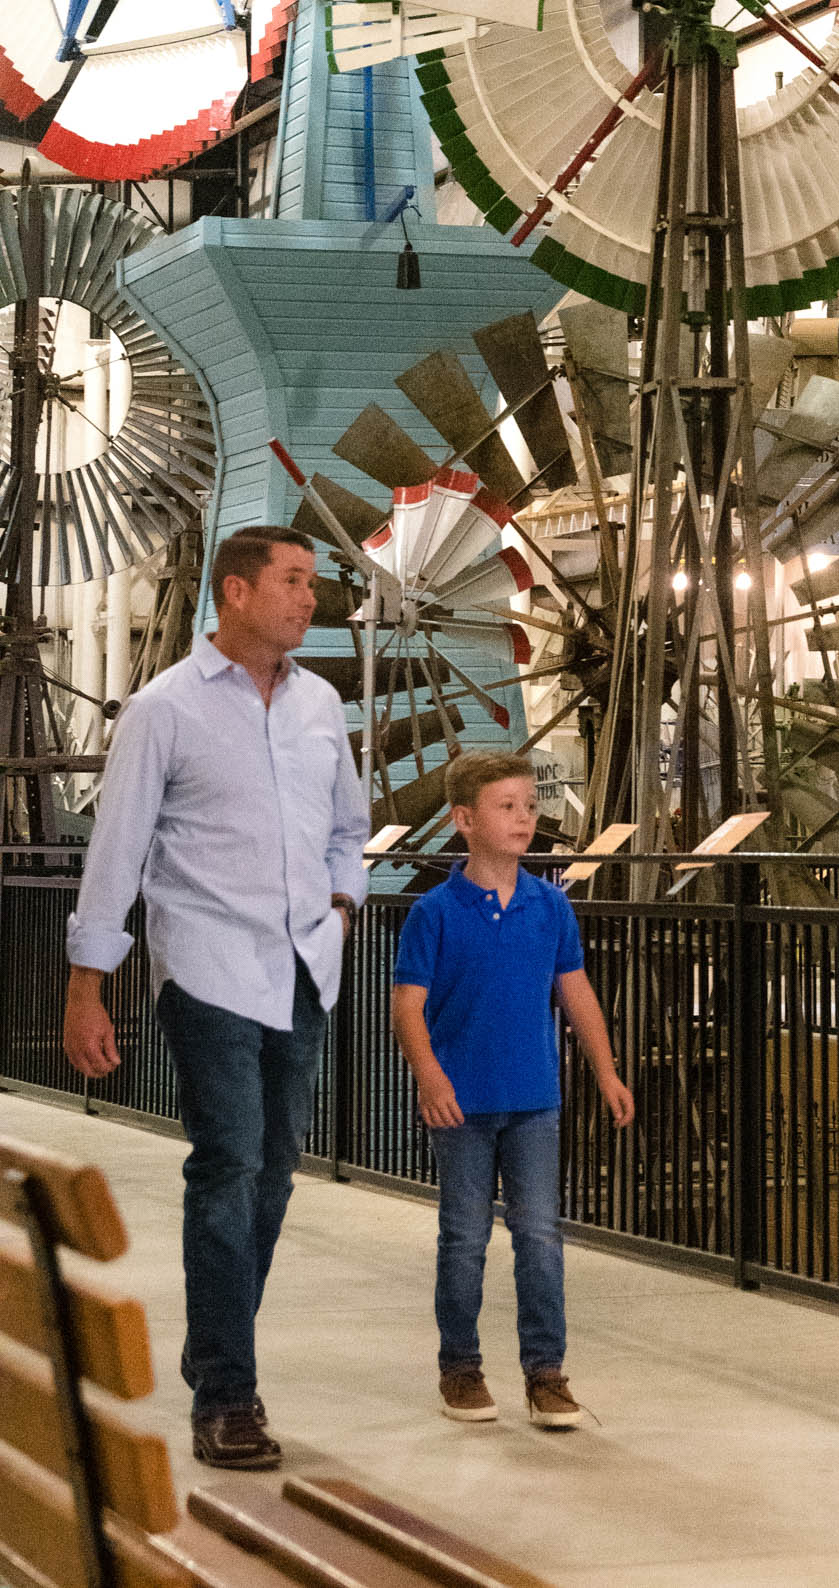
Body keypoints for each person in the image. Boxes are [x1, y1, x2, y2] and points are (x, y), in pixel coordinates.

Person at [62, 525, 370, 1473]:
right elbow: (117, 848)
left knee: (275, 1169)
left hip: (304, 968)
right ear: (234, 592)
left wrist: (343, 899)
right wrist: (87, 985)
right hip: (206, 969)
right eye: (290, 580)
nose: (308, 597)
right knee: (229, 1163)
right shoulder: (164, 709)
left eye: (310, 581)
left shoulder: (320, 704)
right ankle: (228, 1393)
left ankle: (212, 1343)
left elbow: (349, 826)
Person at [391, 750, 633, 1429]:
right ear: (464, 820)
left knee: (540, 1236)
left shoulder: (550, 906)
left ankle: (546, 1372)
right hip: (461, 1103)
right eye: (507, 807)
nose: (524, 817)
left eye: (529, 805)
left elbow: (575, 991)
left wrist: (605, 1069)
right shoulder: (433, 913)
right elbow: (406, 1006)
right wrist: (430, 1075)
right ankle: (460, 1368)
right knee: (464, 1237)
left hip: (534, 1099)